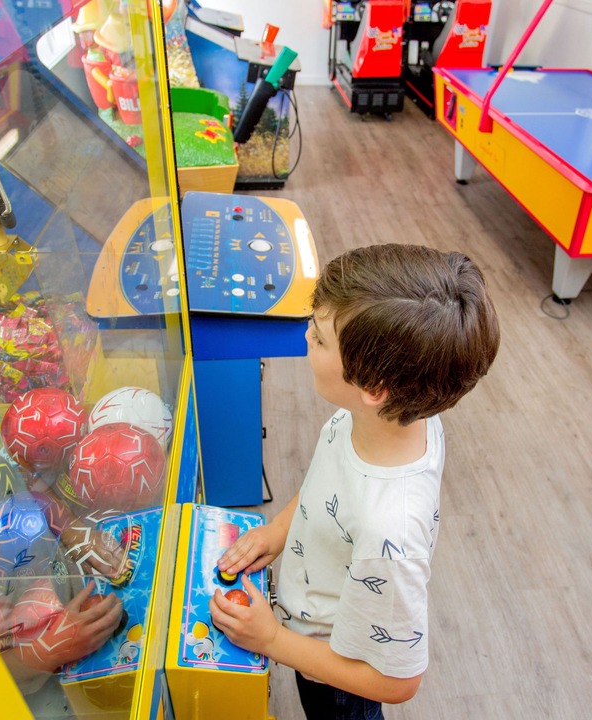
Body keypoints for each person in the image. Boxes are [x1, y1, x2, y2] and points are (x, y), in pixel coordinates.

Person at [210, 243, 501, 719]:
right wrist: (277, 531)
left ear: (374, 387)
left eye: (321, 337)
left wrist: (272, 640)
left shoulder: (390, 532)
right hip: (311, 628)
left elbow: (396, 679)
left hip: (339, 675)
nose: (307, 336)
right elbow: (329, 486)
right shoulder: (389, 419)